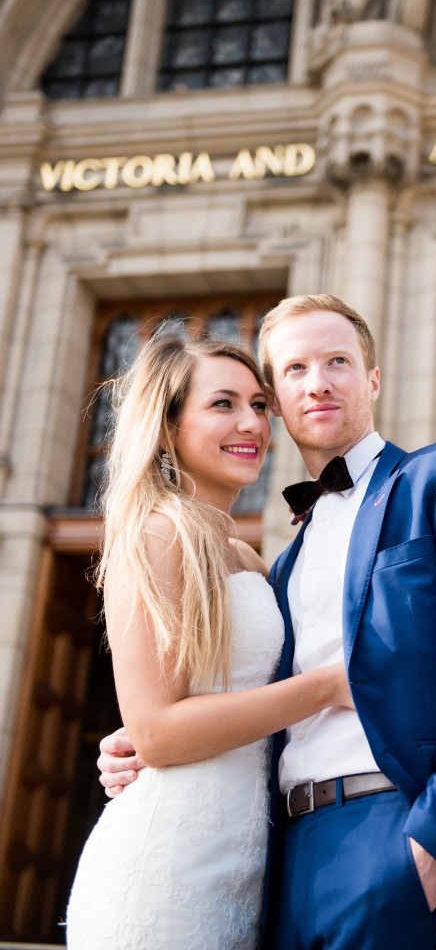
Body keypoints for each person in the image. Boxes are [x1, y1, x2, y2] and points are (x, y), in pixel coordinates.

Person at [99, 295, 436, 950]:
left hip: (403, 836)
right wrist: (142, 740)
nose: (317, 382)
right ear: (278, 402)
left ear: (371, 379)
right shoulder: (278, 568)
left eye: (337, 361)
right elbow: (242, 693)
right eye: (293, 370)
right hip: (280, 866)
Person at [66, 333, 352, 950]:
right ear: (168, 428)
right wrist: (329, 687)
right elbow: (160, 733)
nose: (250, 422)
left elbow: (225, 697)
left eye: (257, 404)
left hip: (244, 863)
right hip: (167, 866)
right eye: (223, 404)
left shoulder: (245, 555)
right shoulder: (155, 532)